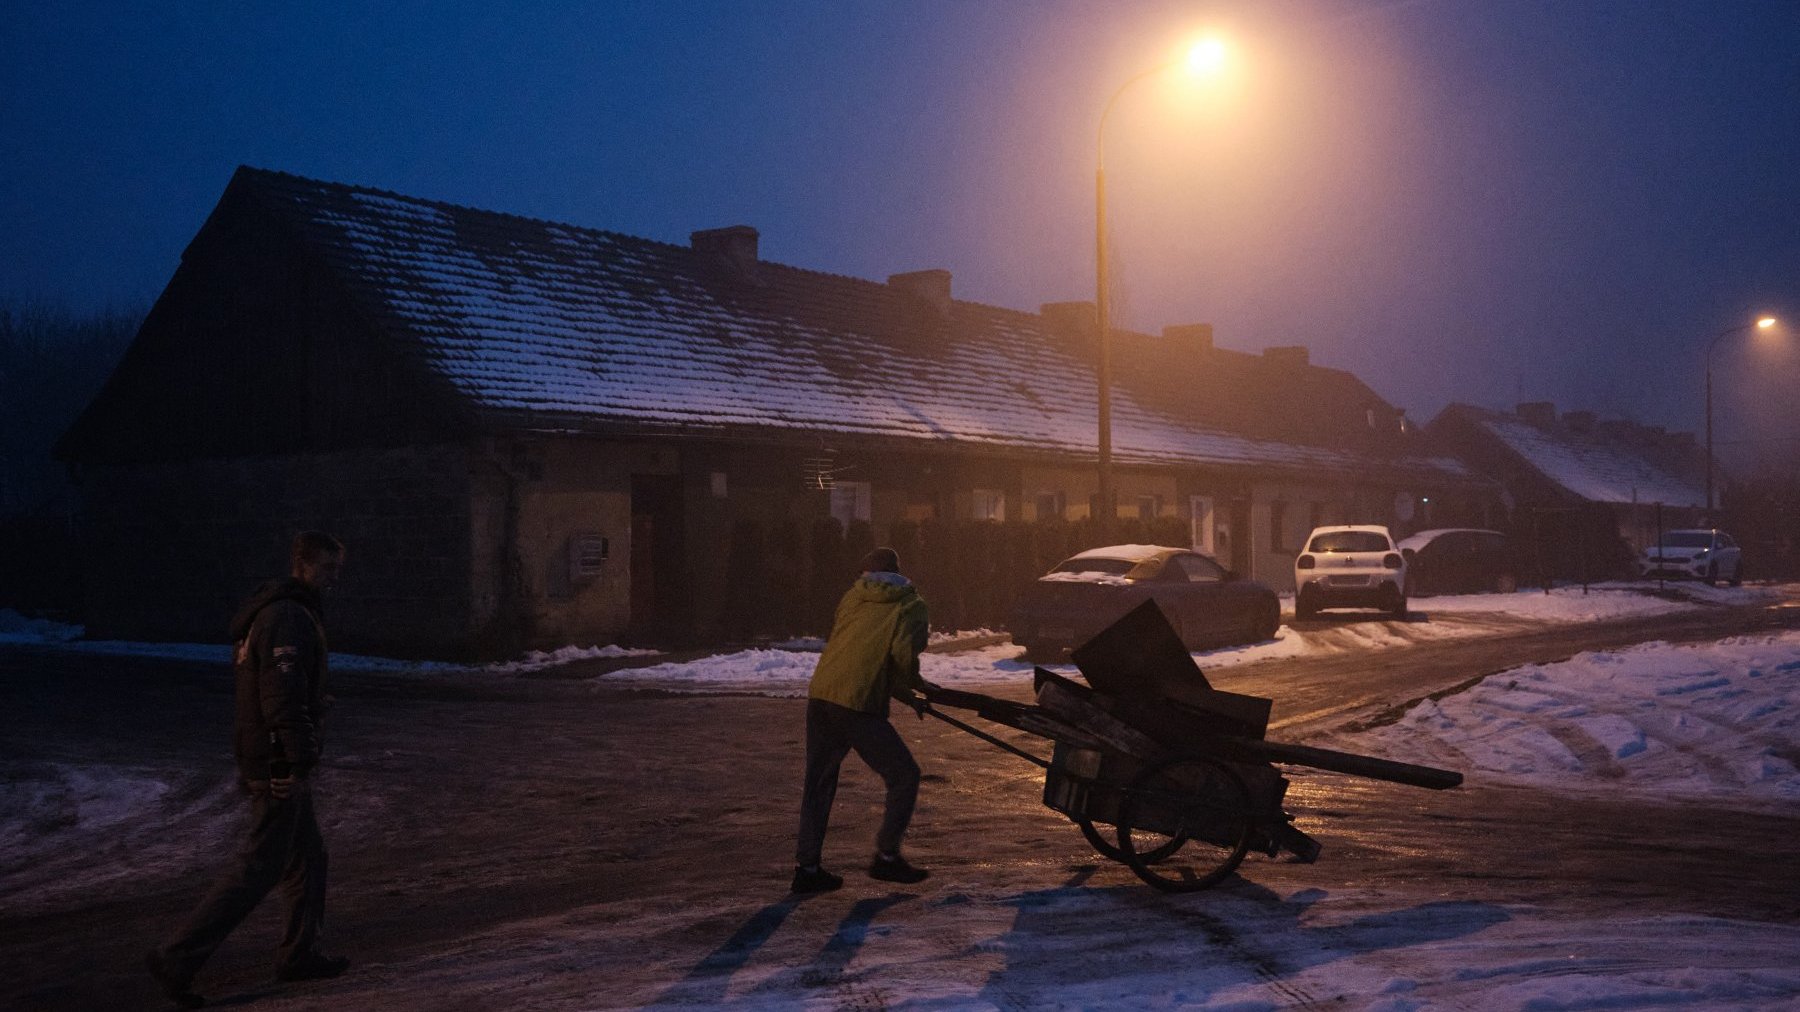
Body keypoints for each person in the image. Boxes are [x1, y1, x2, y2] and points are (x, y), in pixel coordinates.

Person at [146, 531, 351, 1008]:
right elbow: (280, 696)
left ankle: (300, 954)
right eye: (327, 567)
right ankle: (176, 956)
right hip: (276, 759)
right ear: (302, 563)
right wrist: (289, 760)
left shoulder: (286, 611)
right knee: (259, 867)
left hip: (271, 753)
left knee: (308, 858)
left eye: (337, 568)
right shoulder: (287, 616)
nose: (334, 577)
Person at [791, 546, 936, 894]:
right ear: (899, 570)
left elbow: (857, 650)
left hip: (823, 693)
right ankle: (887, 857)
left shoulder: (853, 597)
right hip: (856, 702)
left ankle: (807, 868)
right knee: (904, 774)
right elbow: (901, 658)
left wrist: (907, 694)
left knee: (819, 782)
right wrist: (915, 687)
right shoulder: (910, 605)